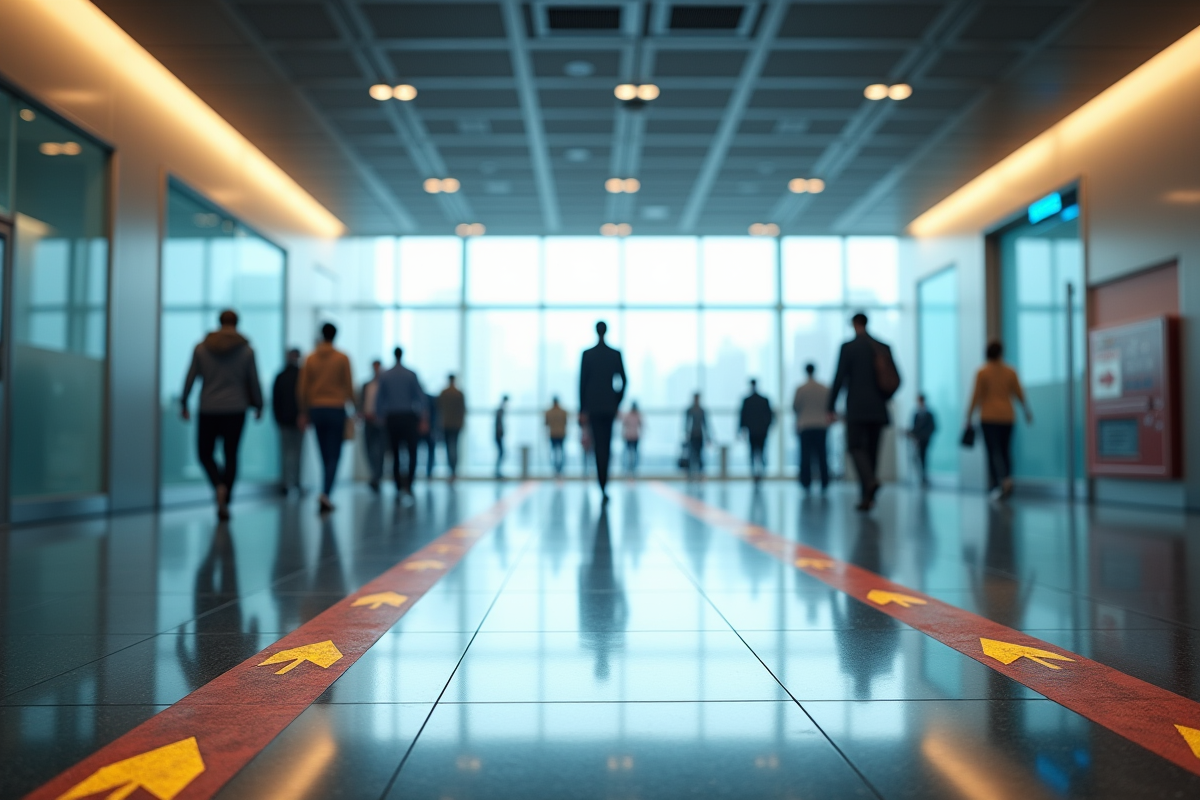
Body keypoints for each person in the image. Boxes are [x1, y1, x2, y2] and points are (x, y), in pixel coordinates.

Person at [181, 309, 263, 520]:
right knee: (231, 454)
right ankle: (226, 498)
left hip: (208, 408)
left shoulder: (201, 349)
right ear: (237, 323)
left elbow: (191, 377)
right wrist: (259, 404)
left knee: (204, 453)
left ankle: (218, 485)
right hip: (236, 409)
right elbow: (253, 380)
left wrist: (184, 402)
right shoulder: (246, 351)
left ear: (219, 322)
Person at [829, 312, 900, 511]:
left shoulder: (849, 348)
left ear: (854, 324)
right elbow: (896, 380)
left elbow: (839, 378)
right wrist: (882, 399)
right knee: (872, 452)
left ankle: (869, 482)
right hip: (878, 409)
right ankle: (867, 498)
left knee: (854, 446)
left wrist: (831, 407)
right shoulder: (883, 347)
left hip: (857, 409)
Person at [297, 323, 356, 514]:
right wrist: (355, 408)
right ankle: (326, 493)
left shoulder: (310, 359)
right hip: (336, 408)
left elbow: (303, 388)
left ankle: (325, 491)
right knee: (335, 454)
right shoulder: (342, 358)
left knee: (323, 453)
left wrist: (303, 411)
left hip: (316, 409)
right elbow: (349, 386)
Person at [966, 340, 1031, 499]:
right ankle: (1007, 478)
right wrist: (1026, 410)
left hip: (988, 417)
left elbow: (976, 396)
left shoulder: (982, 372)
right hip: (1007, 416)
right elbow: (1019, 392)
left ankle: (995, 484)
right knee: (1005, 450)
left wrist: (968, 416)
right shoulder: (1010, 371)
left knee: (991, 451)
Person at [579, 321, 626, 500]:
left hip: (593, 409)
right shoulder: (615, 354)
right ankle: (604, 484)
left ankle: (602, 484)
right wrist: (616, 402)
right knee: (606, 446)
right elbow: (624, 381)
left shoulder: (587, 355)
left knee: (598, 446)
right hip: (608, 408)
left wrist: (583, 409)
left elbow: (582, 384)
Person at [376, 346, 428, 498]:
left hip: (392, 418)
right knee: (412, 452)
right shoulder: (411, 374)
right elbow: (421, 397)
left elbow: (379, 400)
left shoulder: (385, 375)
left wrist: (380, 417)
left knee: (395, 453)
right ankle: (409, 484)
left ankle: (398, 485)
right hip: (409, 417)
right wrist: (424, 418)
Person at [793, 363, 830, 493]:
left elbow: (796, 407)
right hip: (821, 425)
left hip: (806, 425)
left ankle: (806, 482)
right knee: (822, 455)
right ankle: (824, 481)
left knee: (805, 456)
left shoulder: (801, 389)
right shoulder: (824, 388)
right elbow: (828, 406)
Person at [272, 348, 303, 495]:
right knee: (294, 453)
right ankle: (292, 483)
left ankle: (290, 483)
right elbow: (275, 400)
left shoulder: (283, 376)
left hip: (290, 420)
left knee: (289, 453)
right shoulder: (298, 375)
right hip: (292, 420)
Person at [738, 379, 774, 482]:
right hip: (762, 431)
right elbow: (770, 416)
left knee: (753, 452)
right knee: (761, 451)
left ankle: (755, 472)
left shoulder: (747, 400)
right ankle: (761, 472)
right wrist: (767, 427)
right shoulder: (764, 400)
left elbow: (743, 416)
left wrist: (741, 429)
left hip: (753, 431)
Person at [360, 359, 385, 492]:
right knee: (368, 449)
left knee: (380, 451)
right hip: (368, 420)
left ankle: (377, 477)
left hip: (380, 422)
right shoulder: (366, 385)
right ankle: (374, 474)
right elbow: (361, 401)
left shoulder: (384, 384)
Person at [437, 374, 465, 480]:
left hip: (446, 424)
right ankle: (453, 471)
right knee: (454, 446)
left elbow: (439, 408)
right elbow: (462, 410)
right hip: (456, 424)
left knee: (449, 447)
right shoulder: (459, 393)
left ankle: (451, 470)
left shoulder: (444, 393)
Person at [909, 394, 937, 487]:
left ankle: (924, 477)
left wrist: (924, 435)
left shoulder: (929, 414)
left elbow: (933, 427)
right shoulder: (916, 414)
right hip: (918, 440)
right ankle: (922, 477)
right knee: (918, 458)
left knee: (923, 458)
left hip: (925, 439)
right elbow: (914, 427)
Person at [684, 393, 709, 479]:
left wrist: (708, 437)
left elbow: (705, 424)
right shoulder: (690, 410)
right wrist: (686, 434)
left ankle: (700, 473)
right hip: (692, 436)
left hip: (700, 436)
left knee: (700, 455)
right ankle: (691, 473)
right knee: (691, 455)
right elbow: (686, 424)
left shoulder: (702, 411)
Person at [545, 396, 568, 477]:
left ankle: (556, 468)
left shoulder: (549, 412)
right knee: (561, 452)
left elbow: (546, 423)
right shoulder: (563, 412)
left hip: (553, 434)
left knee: (554, 452)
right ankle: (560, 468)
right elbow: (565, 422)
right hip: (561, 434)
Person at [622, 402, 643, 474]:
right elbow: (624, 425)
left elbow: (641, 425)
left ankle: (633, 467)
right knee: (628, 452)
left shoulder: (637, 415)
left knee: (634, 452)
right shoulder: (630, 415)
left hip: (634, 436)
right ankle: (626, 466)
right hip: (629, 436)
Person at [422, 389, 439, 479]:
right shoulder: (416, 400)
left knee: (431, 449)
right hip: (418, 430)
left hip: (429, 429)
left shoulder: (430, 399)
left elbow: (435, 415)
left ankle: (429, 472)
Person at [494, 395, 509, 478]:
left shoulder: (500, 410)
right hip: (498, 435)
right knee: (501, 452)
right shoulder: (500, 410)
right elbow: (499, 424)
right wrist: (501, 433)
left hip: (498, 435)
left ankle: (498, 470)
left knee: (501, 453)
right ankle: (497, 471)